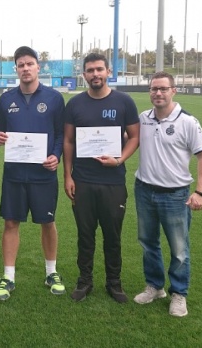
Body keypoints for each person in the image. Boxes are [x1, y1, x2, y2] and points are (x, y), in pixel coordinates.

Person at [132, 71, 202, 317]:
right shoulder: (143, 118)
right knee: (148, 243)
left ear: (173, 91)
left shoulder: (187, 121)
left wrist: (201, 192)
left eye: (163, 89)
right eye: (154, 89)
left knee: (179, 249)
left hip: (175, 195)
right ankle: (155, 286)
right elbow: (125, 139)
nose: (158, 93)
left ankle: (179, 293)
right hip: (144, 189)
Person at [63, 52, 140, 303]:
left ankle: (114, 283)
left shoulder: (124, 102)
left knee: (112, 235)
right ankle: (84, 281)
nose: (95, 74)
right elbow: (68, 141)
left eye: (99, 69)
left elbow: (135, 137)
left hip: (113, 182)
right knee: (85, 235)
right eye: (90, 70)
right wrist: (68, 176)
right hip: (83, 181)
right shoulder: (75, 104)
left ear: (108, 72)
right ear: (84, 74)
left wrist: (119, 160)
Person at [0, 46, 66, 300]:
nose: (25, 68)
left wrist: (56, 156)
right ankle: (8, 276)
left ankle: (51, 272)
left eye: (29, 64)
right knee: (11, 222)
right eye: (20, 64)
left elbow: (60, 134)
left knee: (47, 221)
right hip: (14, 172)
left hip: (43, 173)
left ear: (38, 67)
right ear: (16, 68)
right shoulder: (5, 100)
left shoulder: (55, 98)